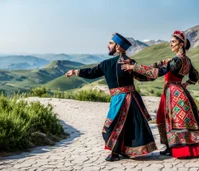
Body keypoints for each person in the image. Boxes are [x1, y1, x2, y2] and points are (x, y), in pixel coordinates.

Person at [121, 30, 199, 159]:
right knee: (166, 117)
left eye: (173, 42)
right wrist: (187, 83)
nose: (171, 44)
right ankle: (171, 146)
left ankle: (174, 147)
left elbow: (159, 72)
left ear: (181, 44)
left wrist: (134, 68)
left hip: (173, 92)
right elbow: (195, 75)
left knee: (169, 118)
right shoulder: (186, 60)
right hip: (180, 91)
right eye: (171, 42)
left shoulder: (177, 60)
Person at [65, 33, 157, 161]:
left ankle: (115, 152)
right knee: (125, 126)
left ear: (118, 47)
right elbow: (143, 77)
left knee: (113, 126)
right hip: (128, 99)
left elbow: (92, 72)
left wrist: (75, 72)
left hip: (124, 100)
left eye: (111, 43)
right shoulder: (123, 63)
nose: (108, 46)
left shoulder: (115, 63)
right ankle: (122, 151)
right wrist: (76, 72)